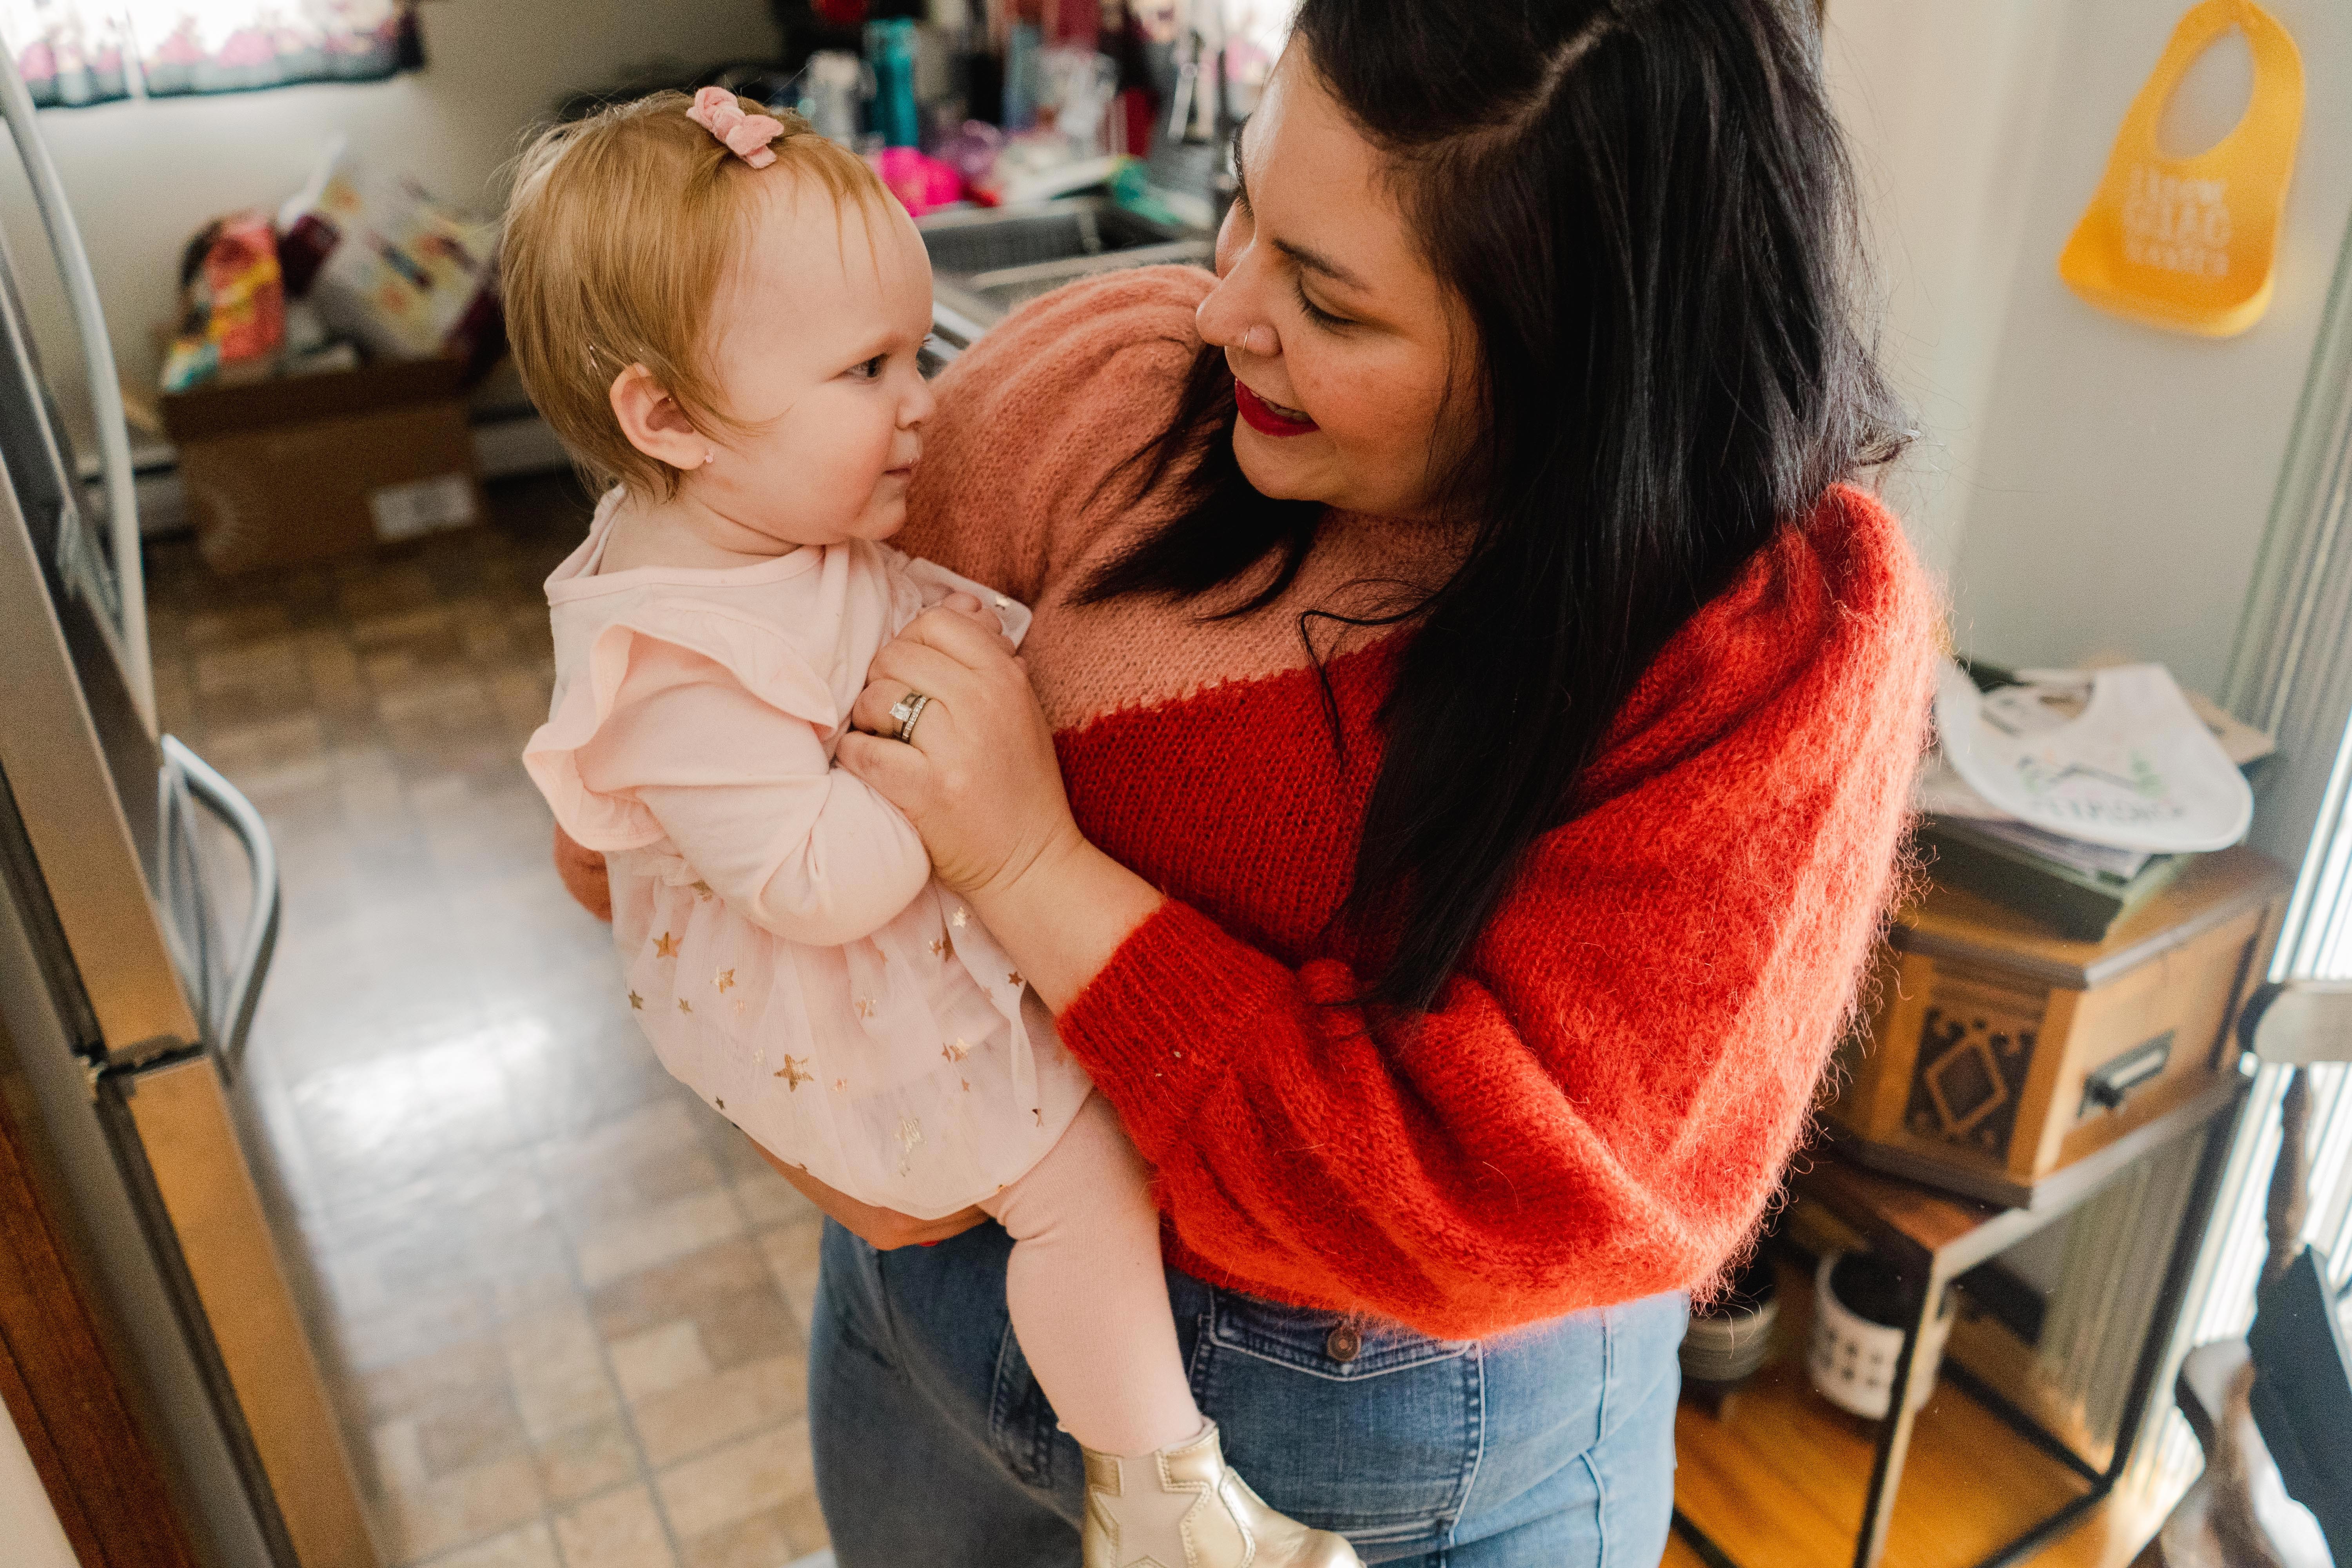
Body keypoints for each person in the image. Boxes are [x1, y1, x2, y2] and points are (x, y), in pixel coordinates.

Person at [552, 0, 1940, 1560]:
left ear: (1586, 361)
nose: (1222, 314)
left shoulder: (1761, 649)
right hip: (933, 1334)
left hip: (1382, 1456)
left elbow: (1502, 1187)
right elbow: (669, 784)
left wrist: (1030, 868)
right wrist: (812, 1135)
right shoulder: (1105, 390)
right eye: (1247, 206)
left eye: (1331, 306)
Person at [507, 88, 1358, 1568]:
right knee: (1079, 1187)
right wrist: (971, 780)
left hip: (892, 967)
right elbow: (817, 885)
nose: (924, 400)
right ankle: (1158, 1490)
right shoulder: (680, 651)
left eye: (915, 353)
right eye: (866, 368)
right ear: (669, 420)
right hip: (839, 1004)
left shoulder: (769, 528)